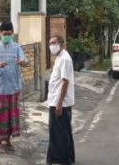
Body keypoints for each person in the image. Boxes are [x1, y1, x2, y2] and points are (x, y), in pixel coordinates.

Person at [0, 22, 29, 153]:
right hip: (0, 87)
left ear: (12, 34)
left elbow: (26, 63)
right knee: (1, 114)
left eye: (9, 34)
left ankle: (7, 140)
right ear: (0, 34)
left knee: (12, 115)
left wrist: (23, 63)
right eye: (5, 34)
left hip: (14, 86)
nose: (7, 36)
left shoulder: (16, 47)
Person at [46, 35, 75, 165]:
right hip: (56, 100)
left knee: (60, 133)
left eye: (54, 43)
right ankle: (63, 158)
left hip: (60, 102)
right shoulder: (59, 57)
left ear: (61, 44)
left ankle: (63, 160)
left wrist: (59, 104)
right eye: (50, 43)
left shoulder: (64, 59)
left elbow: (65, 82)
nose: (51, 46)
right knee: (60, 131)